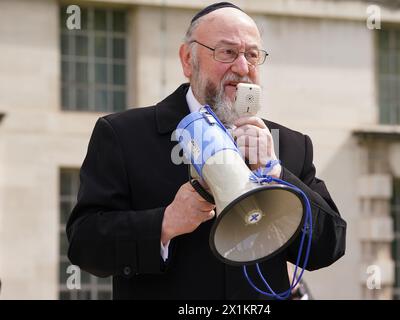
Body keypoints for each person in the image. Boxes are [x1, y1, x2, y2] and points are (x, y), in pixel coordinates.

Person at [66, 2, 347, 300]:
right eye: (227, 52)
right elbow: (84, 244)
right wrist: (164, 223)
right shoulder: (123, 135)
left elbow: (330, 246)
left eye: (252, 55)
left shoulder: (289, 144)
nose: (242, 68)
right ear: (188, 60)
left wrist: (278, 174)